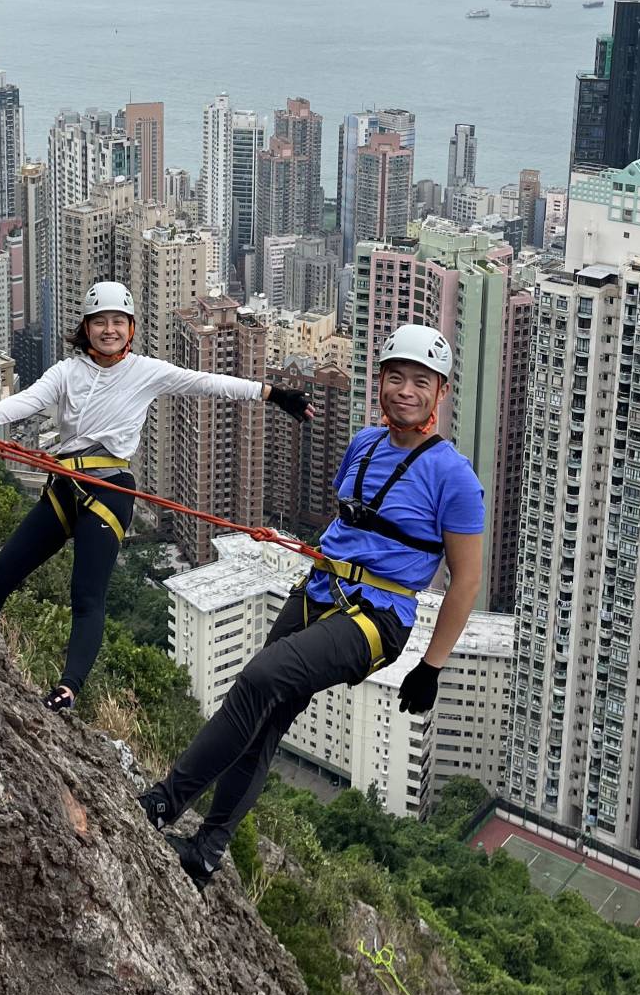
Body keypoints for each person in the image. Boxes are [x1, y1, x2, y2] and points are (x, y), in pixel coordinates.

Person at [138, 322, 485, 888]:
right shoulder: (363, 444)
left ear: (441, 392)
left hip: (377, 618)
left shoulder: (455, 477)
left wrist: (432, 666)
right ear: (379, 382)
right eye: (395, 378)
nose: (405, 391)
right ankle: (207, 850)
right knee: (265, 719)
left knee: (259, 678)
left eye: (421, 382)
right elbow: (350, 523)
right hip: (319, 589)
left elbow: (466, 580)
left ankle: (163, 802)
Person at [0, 281, 312, 711]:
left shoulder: (145, 371)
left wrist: (273, 394)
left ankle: (68, 689)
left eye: (118, 322)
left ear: (130, 329)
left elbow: (207, 382)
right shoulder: (66, 373)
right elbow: (26, 401)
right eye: (100, 322)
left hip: (110, 491)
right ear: (86, 328)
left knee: (86, 594)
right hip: (65, 485)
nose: (108, 329)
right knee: (3, 570)